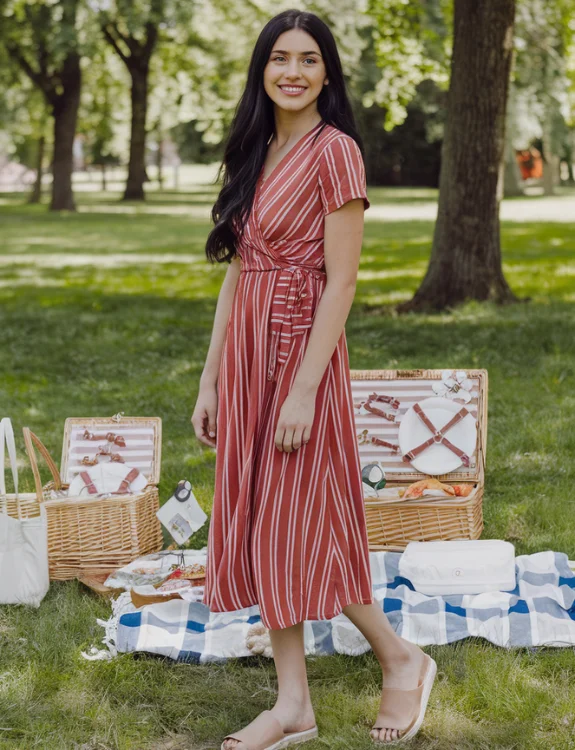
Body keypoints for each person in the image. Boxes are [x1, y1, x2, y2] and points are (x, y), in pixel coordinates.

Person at [191, 9, 437, 749]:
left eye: (307, 59)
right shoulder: (255, 148)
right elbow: (237, 278)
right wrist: (210, 380)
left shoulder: (336, 153)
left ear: (327, 73)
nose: (291, 71)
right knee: (265, 518)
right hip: (245, 357)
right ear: (261, 69)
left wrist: (303, 388)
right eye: (278, 58)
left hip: (303, 352)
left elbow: (341, 282)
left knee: (306, 518)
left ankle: (400, 658)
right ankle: (292, 702)